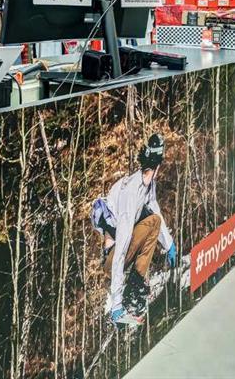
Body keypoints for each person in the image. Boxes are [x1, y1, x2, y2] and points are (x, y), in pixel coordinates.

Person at [91, 133, 178, 327]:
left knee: (154, 221)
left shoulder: (147, 185)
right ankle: (129, 293)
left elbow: (155, 210)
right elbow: (121, 249)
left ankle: (134, 287)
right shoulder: (131, 193)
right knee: (151, 223)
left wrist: (169, 245)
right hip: (113, 259)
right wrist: (116, 304)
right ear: (157, 167)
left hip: (119, 255)